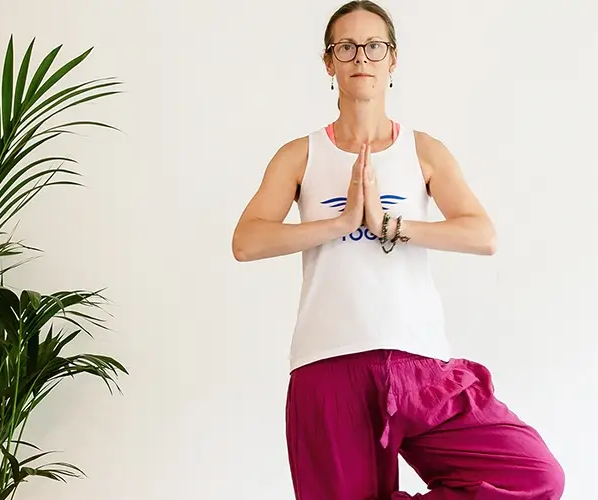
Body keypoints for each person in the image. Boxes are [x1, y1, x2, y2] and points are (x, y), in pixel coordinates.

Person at [230, 2, 564, 499]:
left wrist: (388, 223)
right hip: (329, 362)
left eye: (373, 46)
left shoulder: (423, 149)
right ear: (329, 62)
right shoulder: (299, 154)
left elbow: (481, 234)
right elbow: (247, 241)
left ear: (392, 59)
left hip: (418, 362)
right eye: (346, 47)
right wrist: (341, 222)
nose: (360, 57)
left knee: (534, 475)